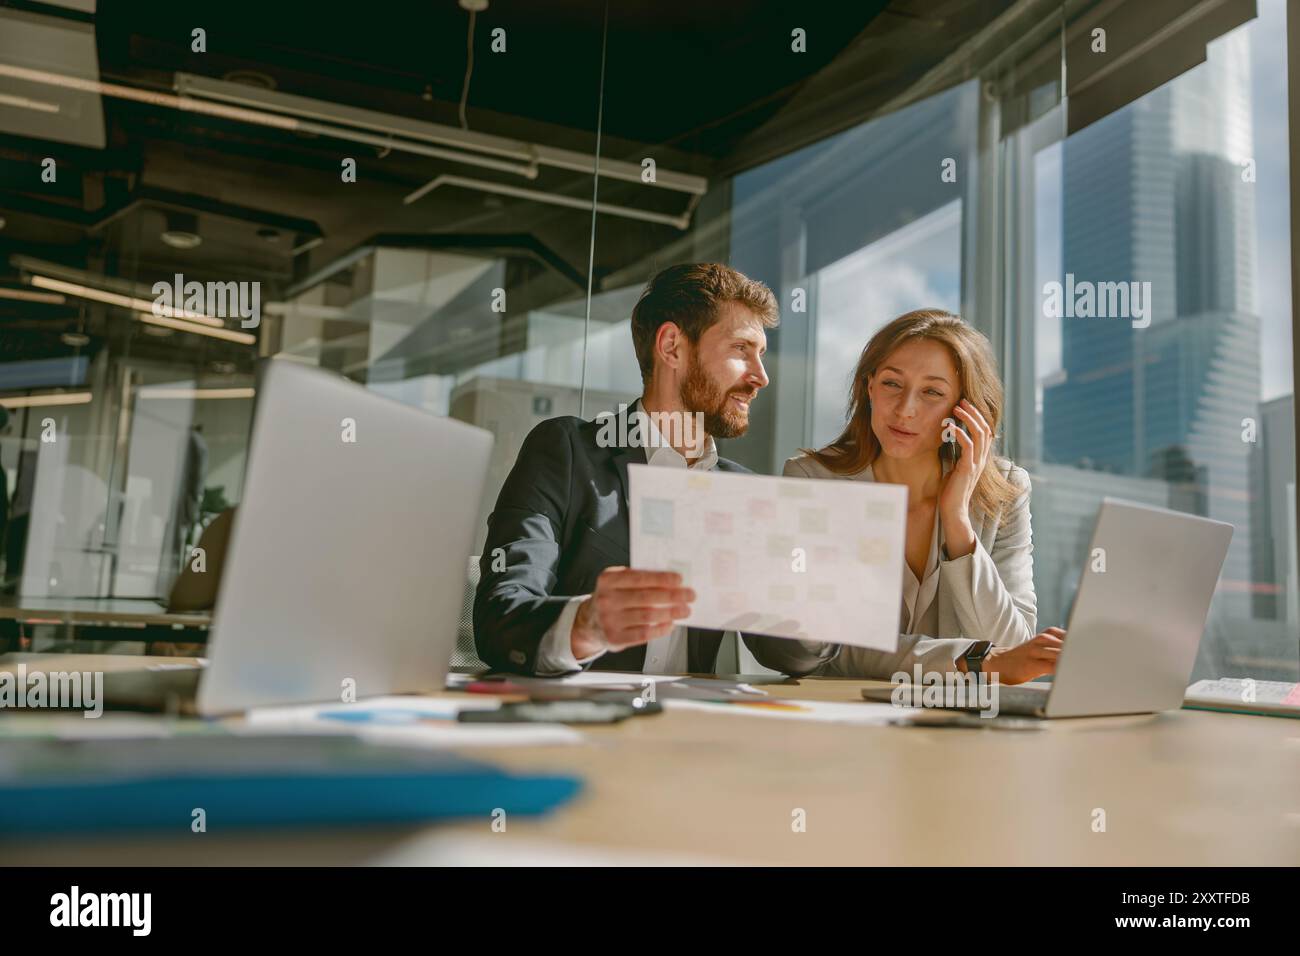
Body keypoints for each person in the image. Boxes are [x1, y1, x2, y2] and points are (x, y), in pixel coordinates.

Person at [475, 262, 805, 675]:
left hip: (689, 728)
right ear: (671, 347)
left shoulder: (745, 492)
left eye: (761, 354)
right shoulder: (567, 453)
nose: (761, 377)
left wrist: (814, 596)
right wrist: (585, 625)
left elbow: (789, 657)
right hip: (580, 727)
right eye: (741, 349)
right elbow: (499, 615)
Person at [765, 309, 1065, 684]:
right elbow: (827, 648)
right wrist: (968, 661)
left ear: (966, 412)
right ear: (869, 387)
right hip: (841, 716)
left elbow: (1011, 647)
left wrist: (956, 520)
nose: (905, 410)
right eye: (892, 384)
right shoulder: (813, 481)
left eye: (932, 392)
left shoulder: (1005, 491)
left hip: (957, 726)